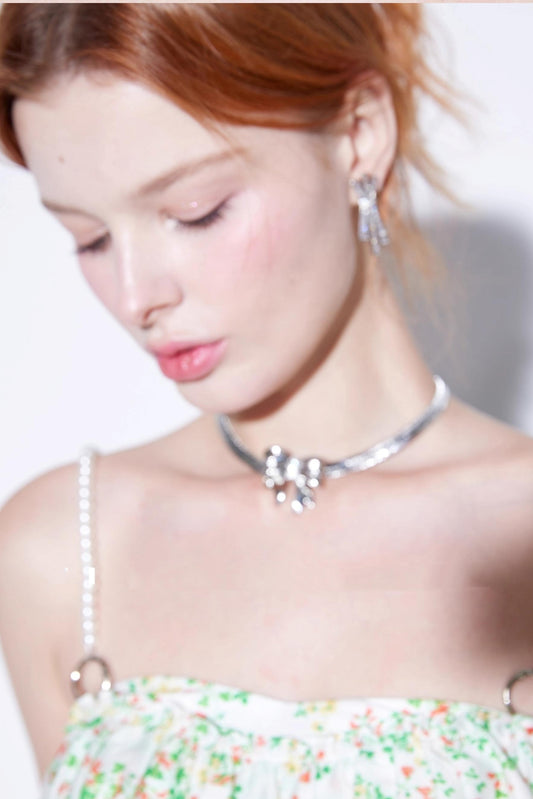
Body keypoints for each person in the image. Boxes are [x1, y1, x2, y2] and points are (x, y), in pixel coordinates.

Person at [1, 3, 533, 797]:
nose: (136, 296)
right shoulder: (63, 550)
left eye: (196, 211)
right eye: (90, 237)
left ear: (358, 133)